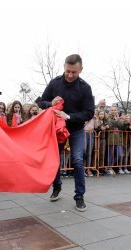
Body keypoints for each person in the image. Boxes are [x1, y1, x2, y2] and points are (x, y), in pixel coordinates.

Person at [37, 54, 94, 212]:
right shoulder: (55, 83)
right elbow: (41, 101)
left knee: (77, 160)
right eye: (67, 71)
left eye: (73, 72)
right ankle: (57, 186)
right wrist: (50, 103)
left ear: (81, 70)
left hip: (75, 128)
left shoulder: (85, 88)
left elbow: (89, 112)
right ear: (64, 67)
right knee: (54, 160)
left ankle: (79, 196)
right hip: (56, 128)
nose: (69, 75)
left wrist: (68, 116)